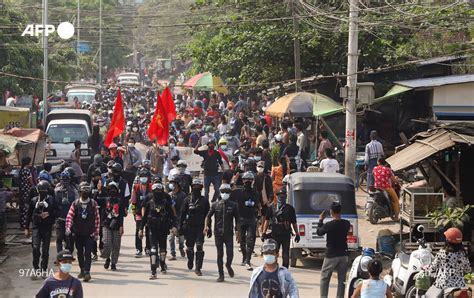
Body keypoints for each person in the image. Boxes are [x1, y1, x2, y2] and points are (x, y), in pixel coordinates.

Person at [65, 182, 100, 282]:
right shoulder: (75, 204)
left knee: (88, 253)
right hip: (78, 234)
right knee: (80, 253)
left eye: (86, 191)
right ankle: (82, 269)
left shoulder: (93, 203)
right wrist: (68, 228)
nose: (84, 193)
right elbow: (69, 217)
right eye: (83, 191)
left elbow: (97, 219)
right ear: (79, 192)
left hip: (90, 234)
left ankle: (87, 272)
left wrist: (96, 233)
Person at [139, 182, 176, 279]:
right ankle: (153, 271)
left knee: (163, 250)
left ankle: (163, 265)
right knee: (153, 250)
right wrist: (141, 229)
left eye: (159, 191)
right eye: (156, 191)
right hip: (152, 229)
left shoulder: (166, 203)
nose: (157, 193)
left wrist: (174, 226)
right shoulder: (149, 203)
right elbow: (144, 217)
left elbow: (172, 216)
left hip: (163, 229)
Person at [205, 183, 240, 282]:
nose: (225, 193)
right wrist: (206, 226)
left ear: (230, 193)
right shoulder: (215, 205)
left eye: (227, 192)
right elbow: (208, 216)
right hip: (218, 233)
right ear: (220, 192)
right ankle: (221, 275)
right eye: (223, 191)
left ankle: (228, 265)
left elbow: (237, 220)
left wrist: (238, 232)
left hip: (229, 233)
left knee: (230, 254)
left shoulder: (233, 205)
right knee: (219, 254)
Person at [317, 202, 351, 298]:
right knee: (342, 280)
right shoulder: (346, 223)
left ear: (331, 212)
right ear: (340, 211)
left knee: (325, 278)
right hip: (343, 255)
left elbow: (319, 232)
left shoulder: (329, 225)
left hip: (331, 255)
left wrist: (320, 220)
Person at [25, 180, 56, 279]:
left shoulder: (51, 200)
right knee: (35, 248)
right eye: (40, 191)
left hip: (47, 227)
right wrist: (26, 227)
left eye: (44, 191)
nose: (42, 193)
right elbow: (29, 214)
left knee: (45, 250)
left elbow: (57, 212)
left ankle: (44, 269)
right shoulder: (34, 201)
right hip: (36, 227)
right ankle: (35, 268)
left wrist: (49, 213)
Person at [261, 190, 300, 269]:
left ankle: (285, 270)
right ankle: (273, 268)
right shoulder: (272, 207)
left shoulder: (290, 208)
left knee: (285, 255)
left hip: (286, 234)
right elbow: (267, 220)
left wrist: (297, 233)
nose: (281, 197)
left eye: (283, 196)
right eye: (280, 196)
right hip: (275, 234)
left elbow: (294, 222)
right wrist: (263, 232)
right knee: (273, 252)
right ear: (277, 196)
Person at [427, 227, 471, 295]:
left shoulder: (442, 253)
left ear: (447, 240)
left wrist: (427, 269)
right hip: (459, 286)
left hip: (443, 285)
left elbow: (433, 267)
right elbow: (468, 269)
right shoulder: (463, 254)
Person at [179, 178, 209, 276]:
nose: (196, 189)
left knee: (199, 246)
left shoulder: (204, 200)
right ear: (191, 188)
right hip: (189, 227)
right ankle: (190, 260)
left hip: (200, 228)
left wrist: (208, 227)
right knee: (190, 248)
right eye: (194, 187)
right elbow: (182, 214)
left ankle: (198, 268)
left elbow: (208, 215)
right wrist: (179, 227)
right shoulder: (187, 200)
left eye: (198, 187)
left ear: (201, 188)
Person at [236, 172, 259, 270]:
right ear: (243, 180)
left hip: (251, 219)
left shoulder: (255, 192)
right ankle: (244, 257)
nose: (248, 181)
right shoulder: (239, 192)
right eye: (246, 179)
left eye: (250, 180)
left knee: (250, 240)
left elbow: (256, 203)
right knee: (242, 241)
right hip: (241, 219)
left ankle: (248, 260)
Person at [101, 182, 125, 271]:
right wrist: (99, 190)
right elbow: (95, 199)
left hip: (117, 225)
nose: (112, 191)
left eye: (114, 189)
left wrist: (122, 226)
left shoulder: (120, 201)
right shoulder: (105, 200)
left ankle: (113, 263)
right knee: (107, 243)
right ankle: (107, 258)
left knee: (116, 245)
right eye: (110, 189)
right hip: (106, 224)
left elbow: (122, 214)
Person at [54, 170, 79, 254]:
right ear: (60, 180)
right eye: (63, 179)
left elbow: (77, 204)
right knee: (59, 237)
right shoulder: (56, 191)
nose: (65, 182)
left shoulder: (74, 191)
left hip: (70, 219)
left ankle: (69, 253)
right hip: (60, 218)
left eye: (67, 179)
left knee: (70, 238)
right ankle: (59, 255)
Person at [130, 169, 152, 257]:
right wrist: (134, 213)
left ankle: (148, 248)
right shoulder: (136, 187)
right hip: (139, 214)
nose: (143, 179)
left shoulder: (151, 187)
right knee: (138, 230)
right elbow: (133, 202)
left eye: (145, 177)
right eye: (142, 177)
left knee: (148, 231)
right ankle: (138, 249)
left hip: (149, 213)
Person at [168, 178, 186, 260]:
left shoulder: (183, 195)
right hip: (172, 219)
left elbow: (185, 207)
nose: (173, 185)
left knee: (181, 237)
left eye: (174, 183)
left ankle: (181, 247)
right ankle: (173, 254)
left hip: (181, 218)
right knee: (171, 238)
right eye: (172, 183)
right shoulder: (169, 195)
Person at [19, 157, 34, 231]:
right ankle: (25, 226)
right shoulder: (27, 171)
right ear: (28, 163)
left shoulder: (21, 170)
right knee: (26, 208)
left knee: (22, 208)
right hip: (27, 191)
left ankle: (22, 225)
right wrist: (34, 187)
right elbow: (30, 181)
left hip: (22, 191)